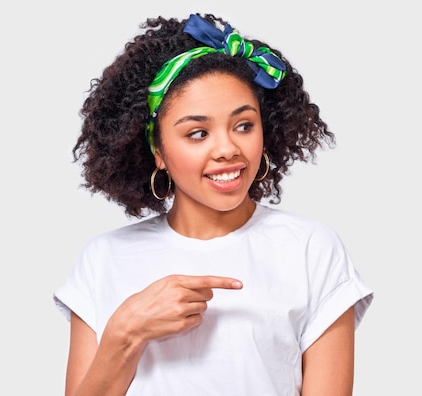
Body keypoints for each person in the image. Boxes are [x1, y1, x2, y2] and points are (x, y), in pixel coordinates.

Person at [54, 13, 374, 396]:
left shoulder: (311, 250)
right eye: (198, 133)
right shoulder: (103, 259)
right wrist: (128, 330)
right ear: (158, 150)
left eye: (243, 125)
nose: (227, 149)